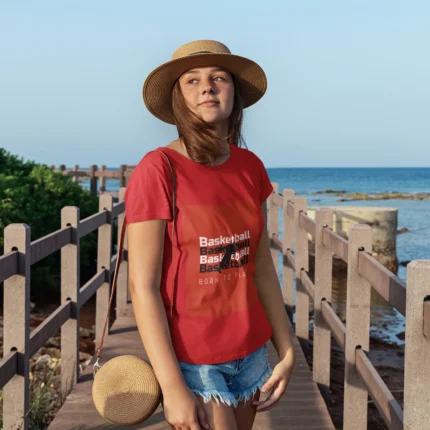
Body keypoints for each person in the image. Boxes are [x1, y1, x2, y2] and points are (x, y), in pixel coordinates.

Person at [124, 40, 296, 430]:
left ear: (235, 91)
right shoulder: (158, 169)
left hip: (252, 353)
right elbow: (144, 286)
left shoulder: (250, 168)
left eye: (219, 77)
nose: (207, 87)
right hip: (193, 360)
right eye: (192, 80)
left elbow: (262, 266)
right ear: (178, 98)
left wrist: (287, 350)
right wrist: (172, 386)